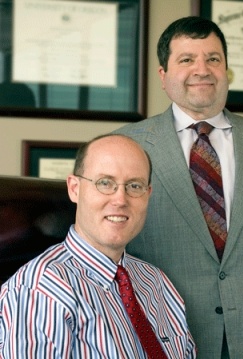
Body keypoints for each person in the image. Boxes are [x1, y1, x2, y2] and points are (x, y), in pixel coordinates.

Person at [113, 16, 243, 358]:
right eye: (186, 59)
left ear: (227, 70)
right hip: (159, 343)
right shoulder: (123, 147)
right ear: (163, 76)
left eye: (213, 59)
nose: (202, 69)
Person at [0, 134, 196, 358]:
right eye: (105, 183)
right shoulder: (40, 290)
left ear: (148, 195)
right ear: (75, 188)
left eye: (134, 185)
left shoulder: (157, 283)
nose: (121, 200)